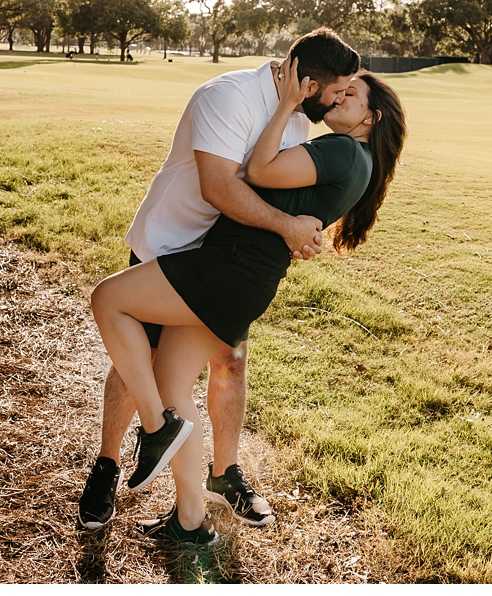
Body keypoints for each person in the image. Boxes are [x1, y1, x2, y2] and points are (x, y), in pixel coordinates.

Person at [89, 58, 406, 546]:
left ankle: (153, 428)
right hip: (244, 274)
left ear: (372, 118)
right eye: (340, 89)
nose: (339, 97)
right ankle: (191, 522)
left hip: (230, 268)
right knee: (174, 386)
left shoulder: (344, 151)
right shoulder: (354, 159)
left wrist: (283, 106)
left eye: (351, 94)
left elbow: (259, 170)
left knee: (109, 299)